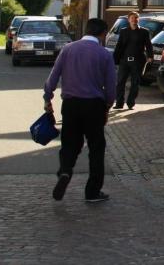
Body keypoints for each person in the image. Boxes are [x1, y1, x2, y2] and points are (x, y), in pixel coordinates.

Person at [43, 17, 117, 202]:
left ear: (86, 30)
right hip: (94, 105)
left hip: (70, 105)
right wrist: (107, 106)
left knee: (69, 143)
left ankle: (65, 171)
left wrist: (47, 98)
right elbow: (111, 86)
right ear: (103, 34)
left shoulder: (68, 49)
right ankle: (92, 192)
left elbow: (53, 76)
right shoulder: (104, 54)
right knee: (96, 148)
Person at [112, 11, 153, 110]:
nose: (134, 20)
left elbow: (148, 45)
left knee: (135, 83)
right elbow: (119, 46)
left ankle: (131, 103)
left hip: (138, 61)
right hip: (124, 60)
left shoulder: (144, 31)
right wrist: (115, 59)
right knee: (120, 82)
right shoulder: (123, 31)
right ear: (128, 20)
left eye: (136, 18)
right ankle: (119, 103)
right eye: (132, 18)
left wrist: (150, 56)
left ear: (138, 19)